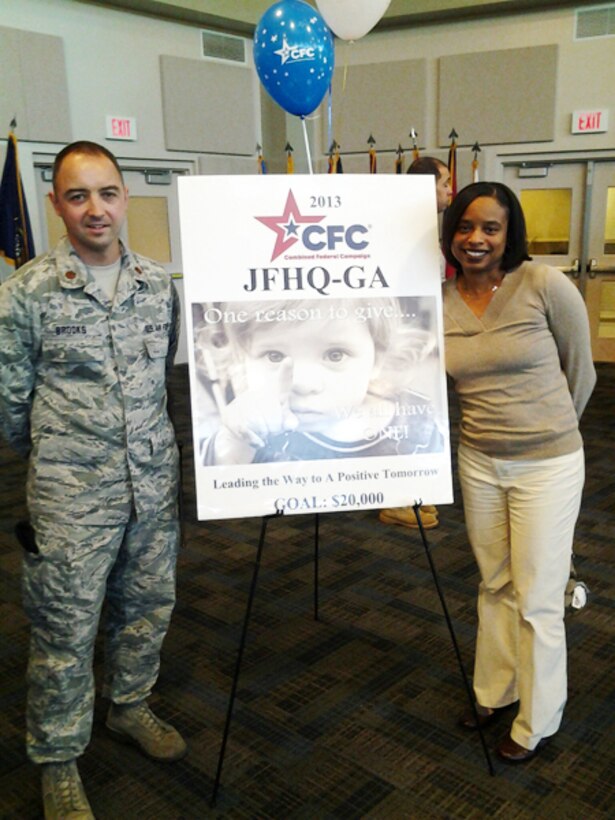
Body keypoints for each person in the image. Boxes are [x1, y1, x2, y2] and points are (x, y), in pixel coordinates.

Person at [0, 141, 186, 819]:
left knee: (146, 606)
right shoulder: (24, 294)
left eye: (106, 193)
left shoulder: (157, 285)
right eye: (78, 196)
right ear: (56, 205)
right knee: (64, 631)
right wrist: (66, 451)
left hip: (151, 486)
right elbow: (10, 404)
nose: (95, 209)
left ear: (124, 197)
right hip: (71, 496)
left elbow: (162, 377)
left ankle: (130, 707)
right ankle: (56, 759)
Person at [441, 181, 596, 763]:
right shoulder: (439, 298)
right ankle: (495, 691)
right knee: (495, 582)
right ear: (450, 233)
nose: (475, 239)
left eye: (490, 228)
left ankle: (537, 718)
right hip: (479, 460)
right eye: (465, 227)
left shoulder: (543, 284)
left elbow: (581, 372)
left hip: (548, 464)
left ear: (510, 235)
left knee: (537, 596)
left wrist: (548, 434)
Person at [194, 297, 443, 465]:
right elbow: (221, 483)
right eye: (274, 355)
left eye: (335, 355)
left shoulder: (416, 422)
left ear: (376, 359)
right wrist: (234, 442)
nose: (302, 383)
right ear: (242, 360)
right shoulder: (252, 429)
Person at [379, 156, 452, 530]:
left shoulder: (426, 231)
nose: (449, 190)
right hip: (405, 342)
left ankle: (416, 493)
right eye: (444, 183)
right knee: (403, 419)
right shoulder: (402, 233)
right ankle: (396, 499)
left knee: (423, 420)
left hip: (425, 341)